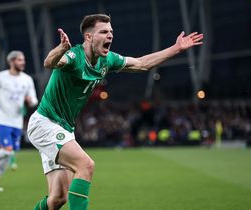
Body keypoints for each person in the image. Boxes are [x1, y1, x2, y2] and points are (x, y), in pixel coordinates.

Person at [27, 14, 203, 209]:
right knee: (86, 166)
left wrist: (176, 48)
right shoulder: (74, 56)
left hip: (64, 128)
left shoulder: (107, 60)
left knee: (58, 199)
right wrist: (60, 49)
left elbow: (141, 63)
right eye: (103, 32)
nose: (110, 35)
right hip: (45, 123)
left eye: (111, 32)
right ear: (88, 37)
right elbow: (49, 63)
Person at [0, 50, 38, 192]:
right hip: (3, 119)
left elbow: (34, 99)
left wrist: (31, 101)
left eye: (23, 60)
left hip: (17, 122)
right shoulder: (0, 77)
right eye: (19, 60)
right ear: (11, 62)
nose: (23, 62)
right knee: (7, 150)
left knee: (9, 154)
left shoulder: (27, 79)